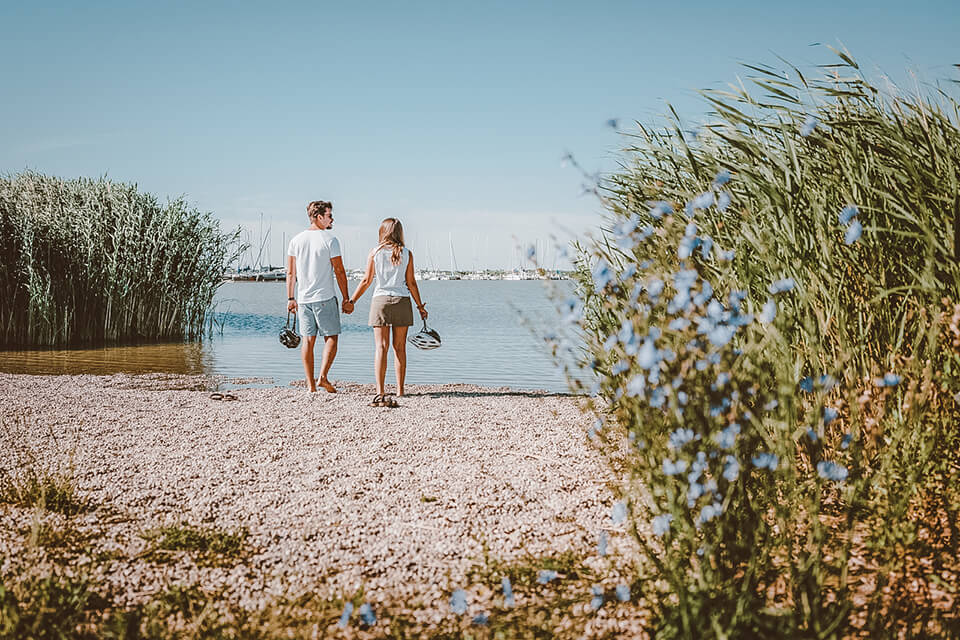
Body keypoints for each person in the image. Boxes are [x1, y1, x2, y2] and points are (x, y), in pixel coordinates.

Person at [347, 218, 427, 407]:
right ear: (399, 232)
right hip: (402, 300)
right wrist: (420, 306)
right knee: (399, 347)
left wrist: (352, 301)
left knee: (380, 347)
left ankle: (380, 390)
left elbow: (366, 280)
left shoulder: (375, 253)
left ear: (382, 232)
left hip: (380, 301)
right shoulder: (407, 253)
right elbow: (411, 283)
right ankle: (400, 390)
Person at [286, 200, 355, 393]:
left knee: (308, 340)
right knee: (331, 338)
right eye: (329, 215)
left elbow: (291, 273)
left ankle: (310, 385)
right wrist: (346, 298)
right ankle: (323, 377)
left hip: (304, 298)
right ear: (319, 217)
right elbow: (340, 271)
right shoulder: (330, 239)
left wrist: (290, 298)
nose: (332, 219)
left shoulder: (295, 240)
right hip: (324, 297)